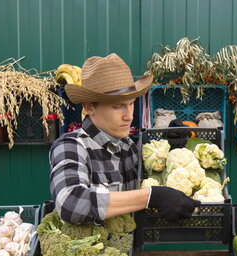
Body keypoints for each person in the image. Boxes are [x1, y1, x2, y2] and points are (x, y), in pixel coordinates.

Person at [50, 53, 200, 224]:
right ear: (89, 107)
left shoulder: (128, 146)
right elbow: (71, 203)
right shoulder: (70, 145)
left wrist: (171, 147)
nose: (129, 116)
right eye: (118, 106)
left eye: (131, 104)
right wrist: (151, 196)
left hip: (130, 247)